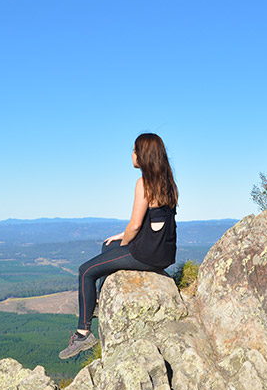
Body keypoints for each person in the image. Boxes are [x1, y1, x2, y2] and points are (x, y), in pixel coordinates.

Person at [58, 133, 178, 359]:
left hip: (147, 254)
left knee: (85, 272)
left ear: (143, 155)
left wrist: (125, 244)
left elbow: (134, 226)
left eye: (134, 150)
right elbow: (154, 222)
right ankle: (97, 303)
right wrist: (118, 239)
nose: (131, 154)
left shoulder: (144, 183)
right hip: (164, 253)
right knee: (107, 245)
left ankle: (83, 334)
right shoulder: (167, 182)